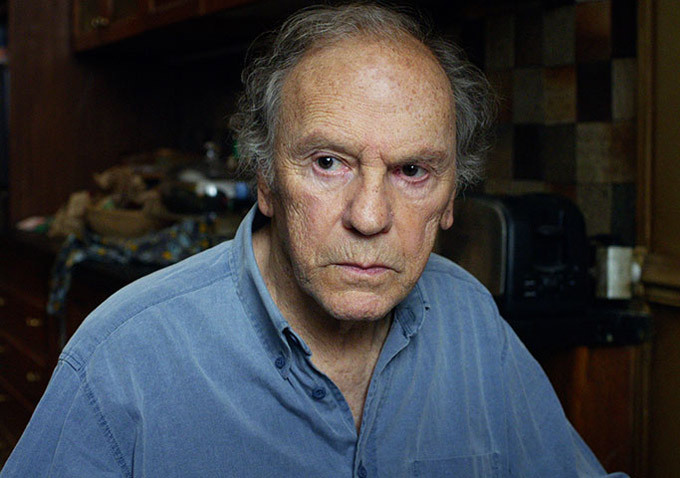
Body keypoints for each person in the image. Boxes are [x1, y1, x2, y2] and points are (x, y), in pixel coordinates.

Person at [2, 3, 626, 477]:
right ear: (266, 180)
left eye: (413, 171)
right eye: (328, 162)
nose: (369, 217)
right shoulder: (123, 357)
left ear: (450, 200)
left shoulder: (470, 320)